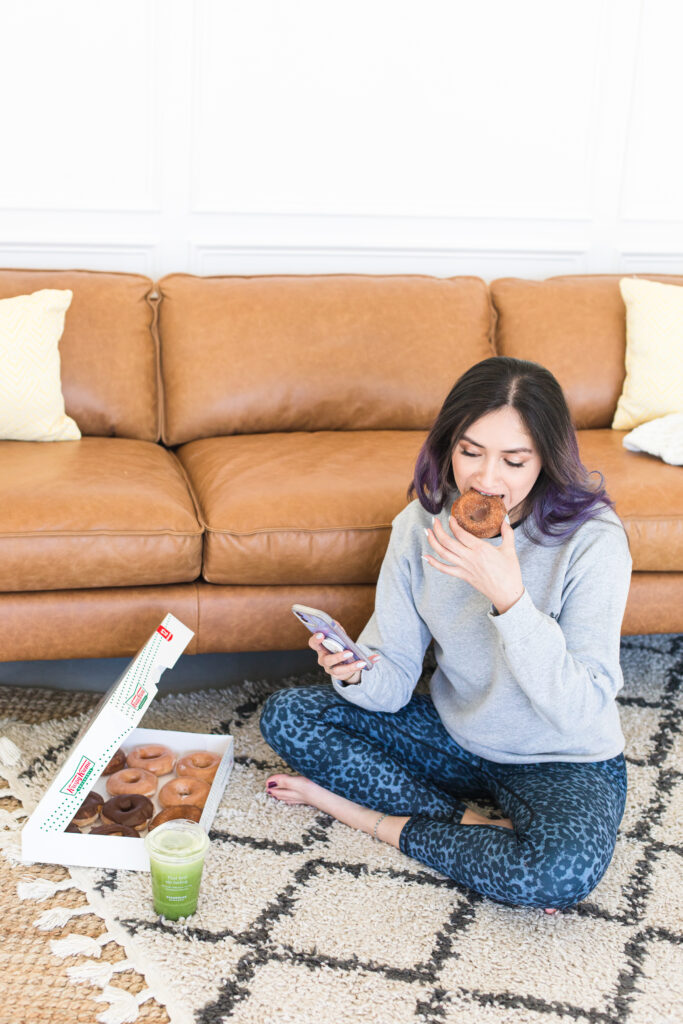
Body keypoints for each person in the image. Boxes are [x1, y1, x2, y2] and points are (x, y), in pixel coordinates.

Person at [259, 356, 631, 913]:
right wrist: (359, 671)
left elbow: (583, 709)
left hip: (561, 754)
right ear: (447, 444)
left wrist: (510, 599)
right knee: (290, 716)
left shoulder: (593, 540)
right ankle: (473, 824)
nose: (486, 478)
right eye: (470, 451)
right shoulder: (419, 525)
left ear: (547, 459)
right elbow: (394, 680)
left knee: (557, 875)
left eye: (514, 459)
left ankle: (366, 817)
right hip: (458, 737)